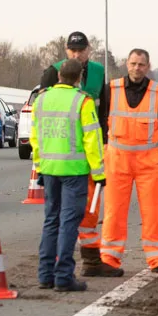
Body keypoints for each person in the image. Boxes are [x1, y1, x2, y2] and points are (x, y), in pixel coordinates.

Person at [39, 30, 114, 277]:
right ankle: (63, 274)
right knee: (69, 218)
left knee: (71, 216)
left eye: (81, 49)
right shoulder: (55, 76)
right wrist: (99, 168)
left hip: (62, 162)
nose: (77, 53)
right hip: (75, 163)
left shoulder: (99, 73)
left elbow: (103, 118)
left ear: (89, 50)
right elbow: (42, 128)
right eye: (73, 49)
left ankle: (54, 271)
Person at [99, 48, 158, 274]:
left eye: (141, 65)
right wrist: (105, 145)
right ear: (127, 64)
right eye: (133, 64)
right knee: (113, 211)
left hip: (148, 162)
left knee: (153, 213)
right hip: (117, 160)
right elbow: (101, 119)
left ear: (148, 66)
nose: (136, 68)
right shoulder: (111, 89)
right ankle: (109, 259)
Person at [31, 58, 106, 292]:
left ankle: (45, 275)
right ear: (79, 78)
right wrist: (99, 172)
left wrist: (39, 167)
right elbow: (92, 139)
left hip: (50, 170)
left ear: (58, 76)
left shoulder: (41, 100)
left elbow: (36, 138)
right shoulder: (82, 102)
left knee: (51, 221)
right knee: (68, 224)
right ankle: (63, 276)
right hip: (75, 171)